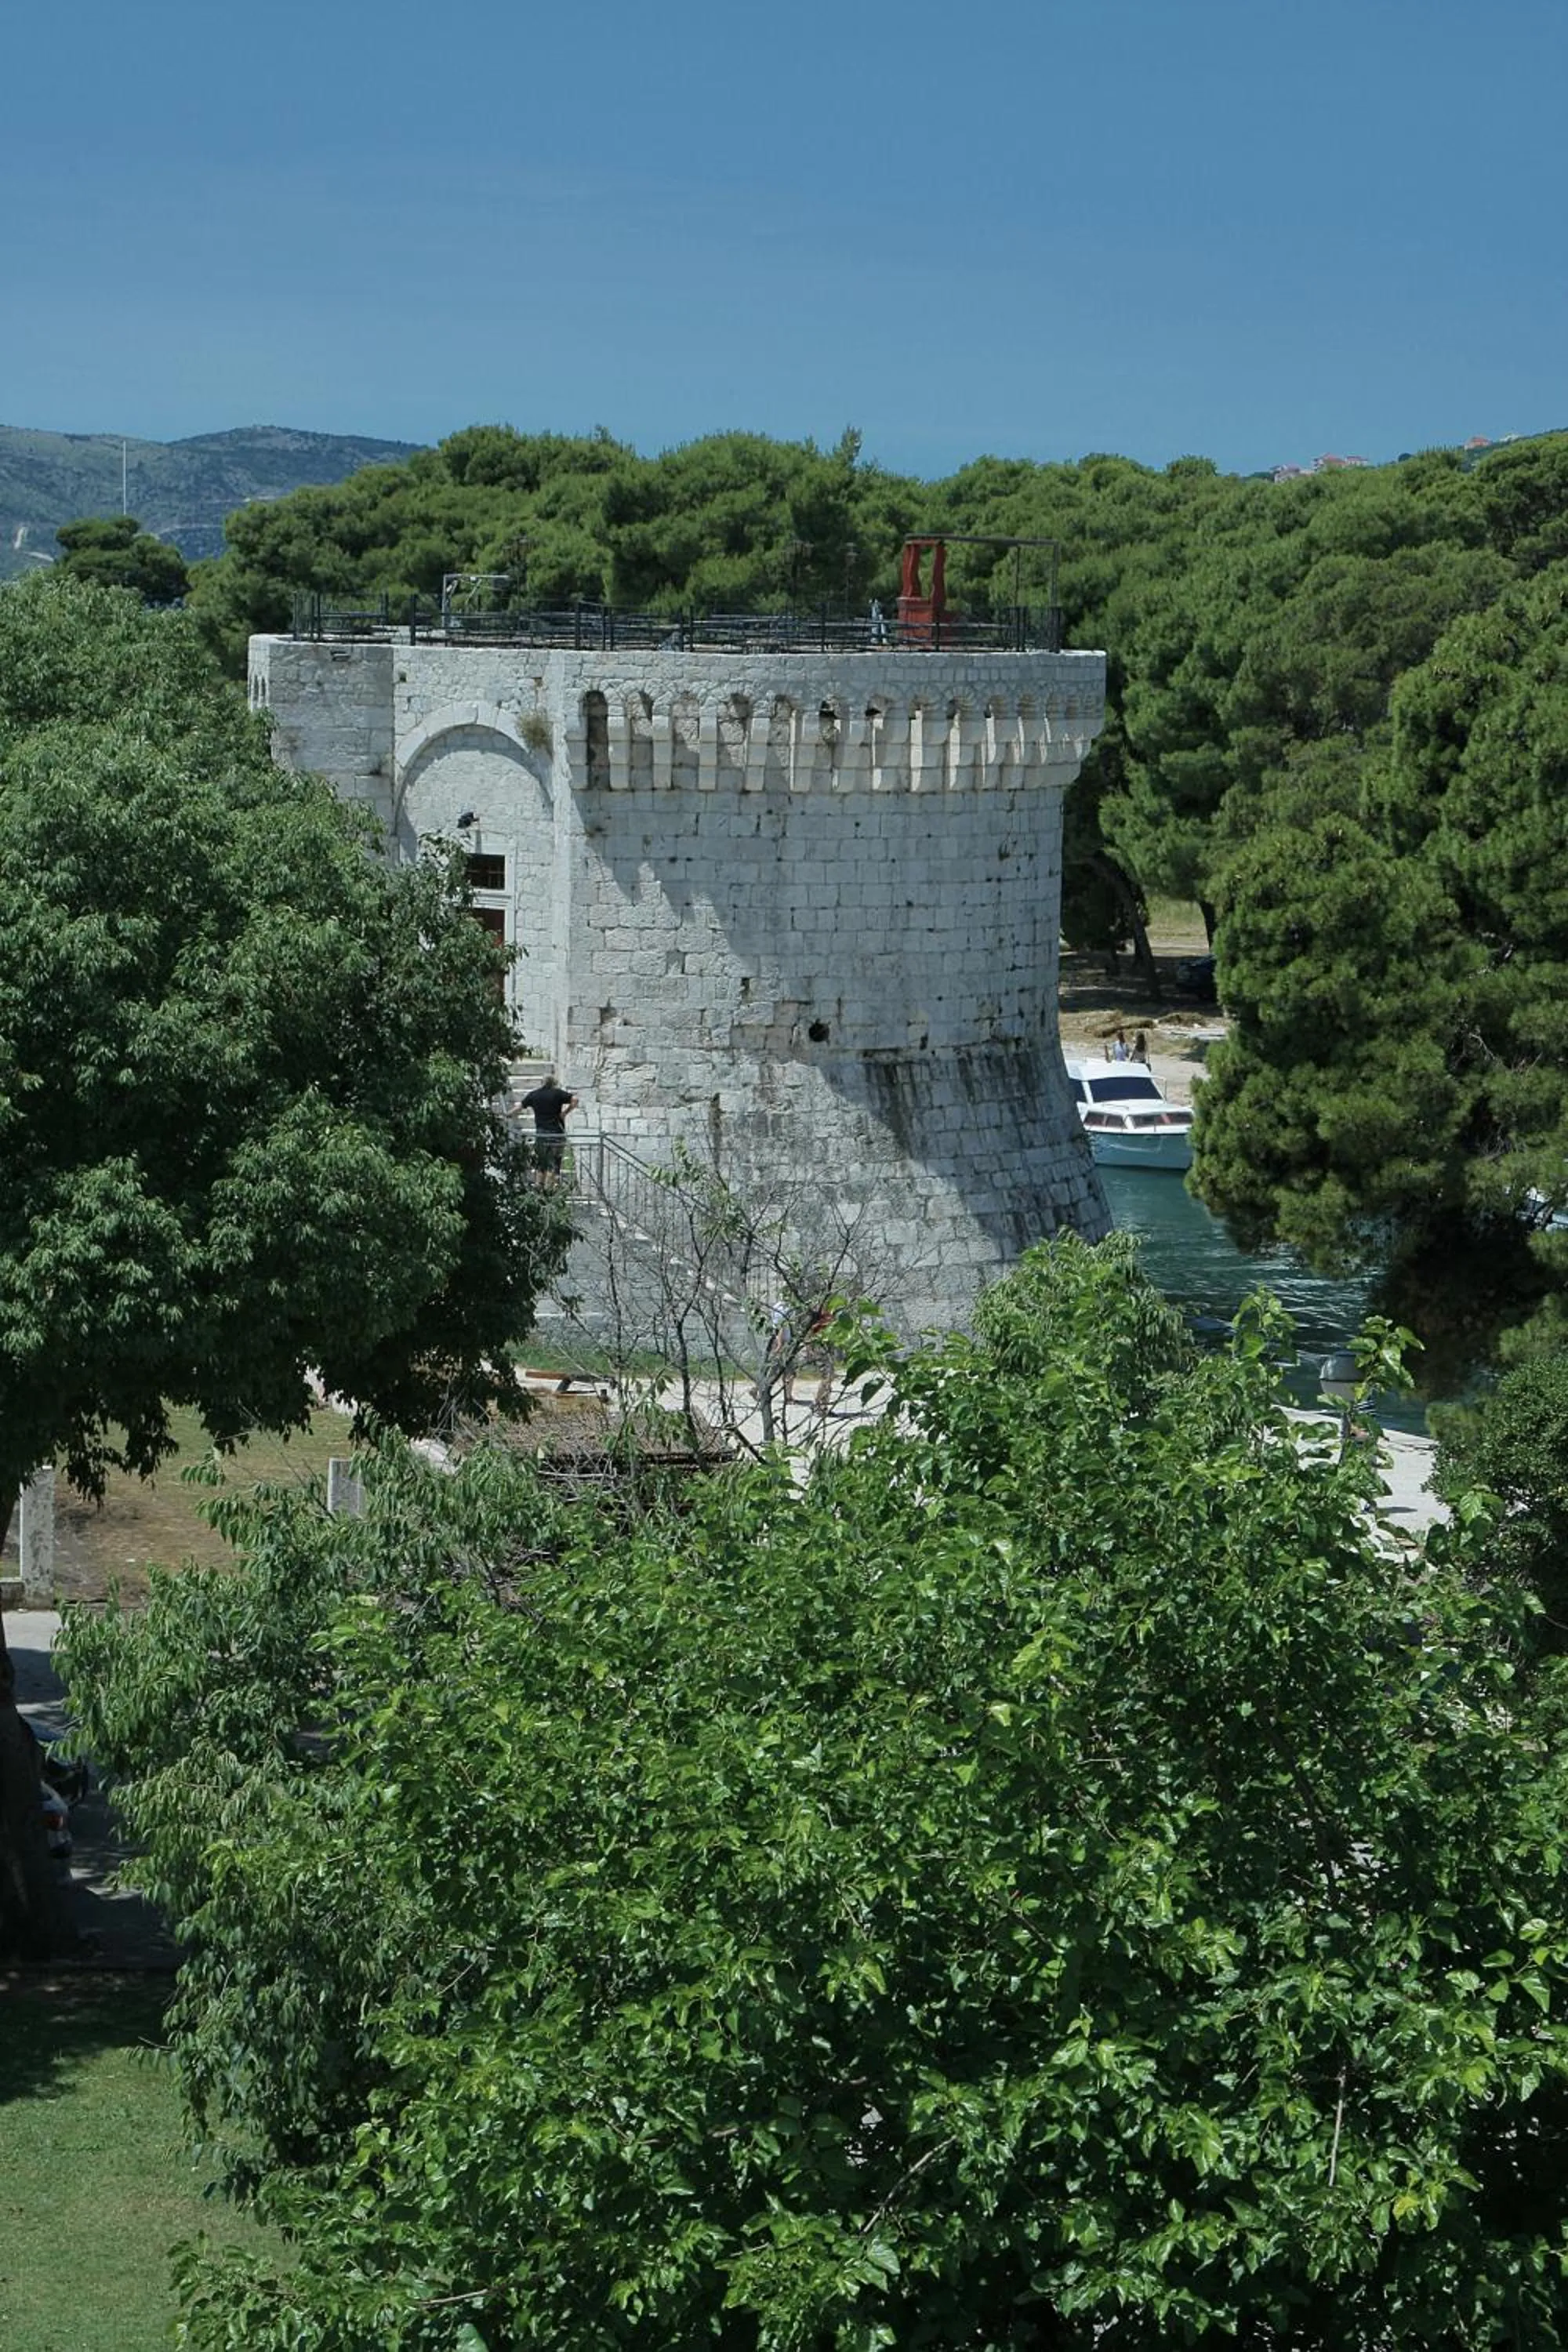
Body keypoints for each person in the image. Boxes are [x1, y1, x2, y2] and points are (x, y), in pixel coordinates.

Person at [520, 1070, 578, 1189]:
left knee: (541, 1161)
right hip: (557, 1132)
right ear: (553, 1083)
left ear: (542, 1083)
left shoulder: (534, 1094)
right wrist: (565, 1113)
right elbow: (575, 1100)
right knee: (555, 1161)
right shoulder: (557, 1093)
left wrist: (508, 1115)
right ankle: (550, 1188)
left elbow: (520, 1106)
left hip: (542, 1133)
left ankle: (538, 1186)